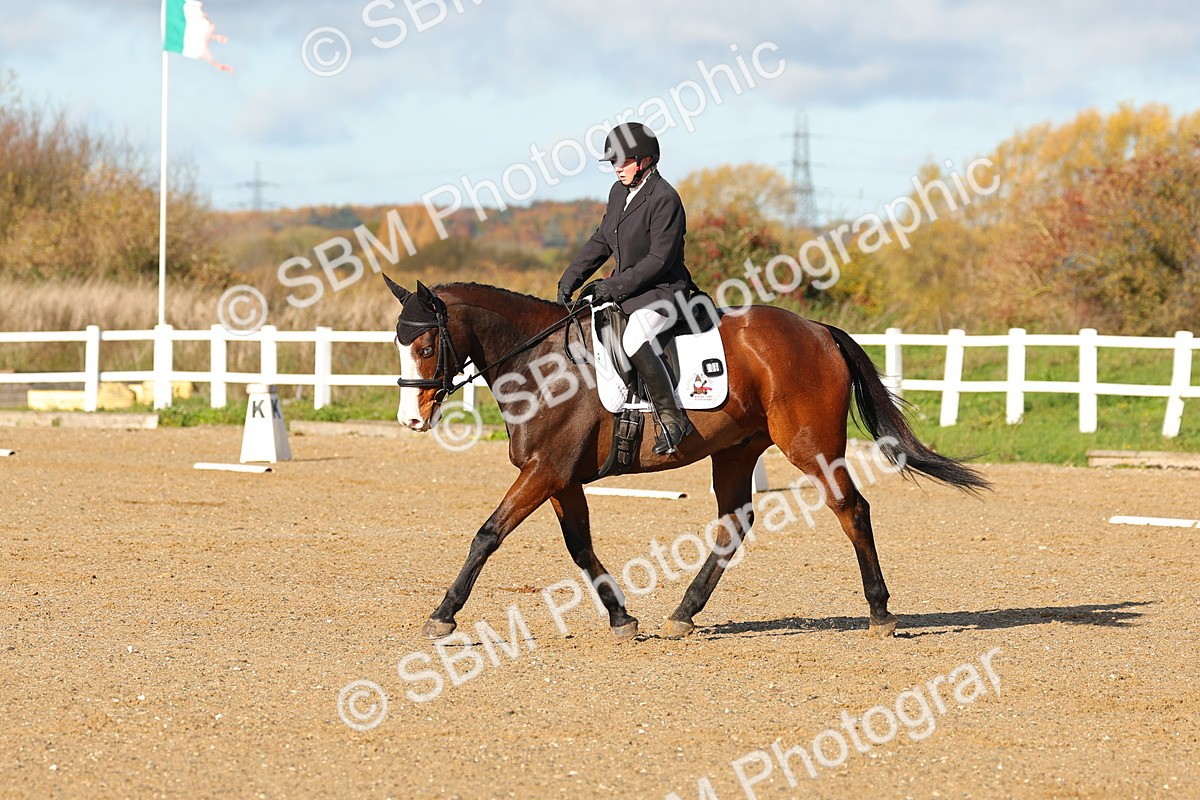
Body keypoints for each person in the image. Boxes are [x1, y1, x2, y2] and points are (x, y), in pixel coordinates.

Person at [557, 122, 696, 455]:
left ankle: (673, 418)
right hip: (631, 291)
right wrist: (571, 278)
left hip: (663, 291)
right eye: (613, 162)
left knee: (635, 338)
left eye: (623, 161)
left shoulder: (665, 198)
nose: (616, 168)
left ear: (645, 160)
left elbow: (659, 260)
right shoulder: (618, 192)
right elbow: (602, 239)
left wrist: (611, 286)